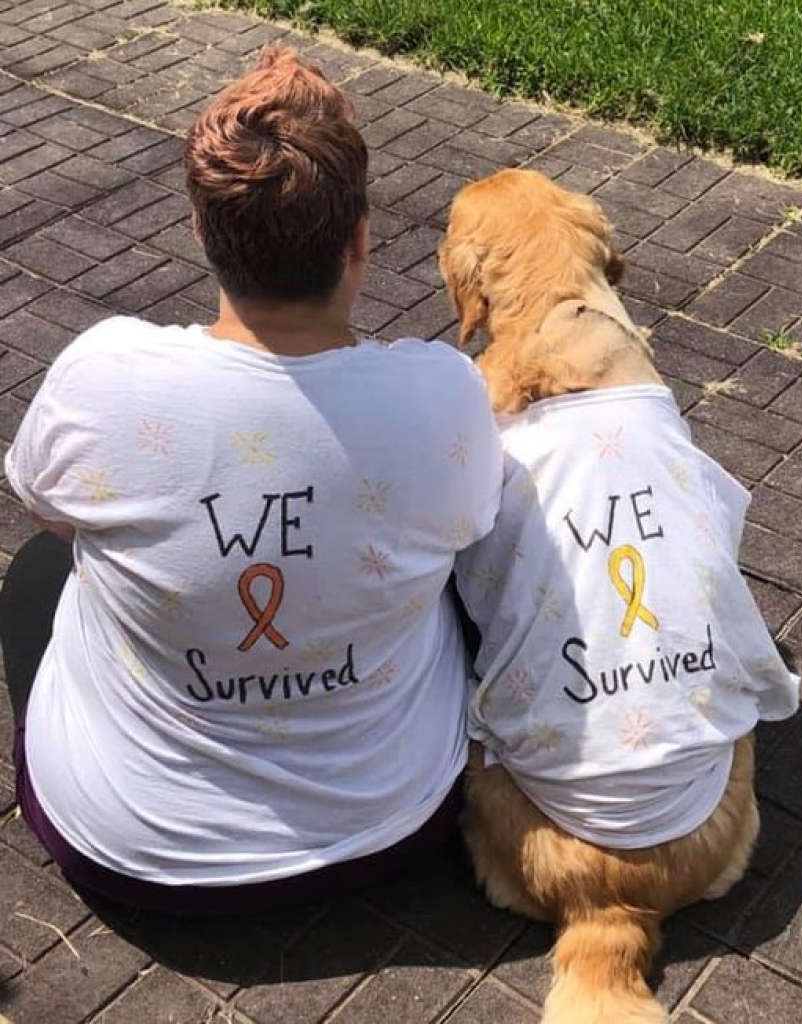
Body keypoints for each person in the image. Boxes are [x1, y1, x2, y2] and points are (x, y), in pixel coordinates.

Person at [0, 46, 503, 915]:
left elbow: (49, 518)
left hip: (127, 848)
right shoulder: (443, 391)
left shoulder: (104, 374)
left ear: (201, 230)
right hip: (393, 826)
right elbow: (471, 531)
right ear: (360, 239)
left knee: (40, 574)